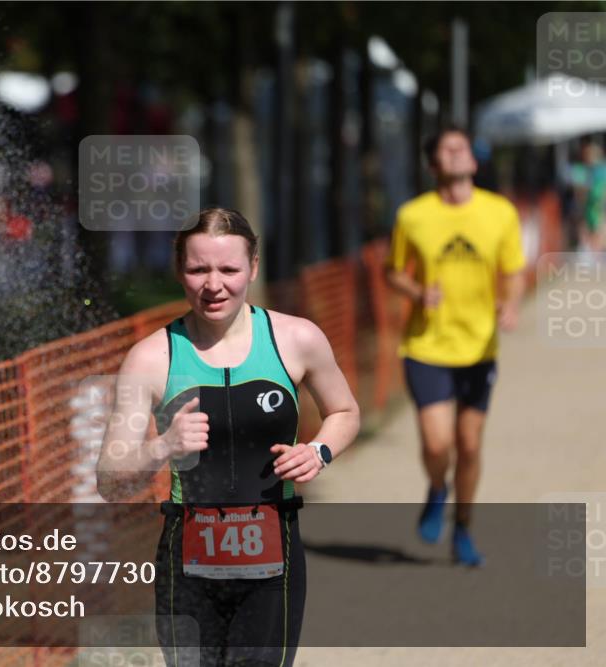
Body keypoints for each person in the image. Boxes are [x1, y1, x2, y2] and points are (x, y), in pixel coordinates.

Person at [96, 208, 360, 667]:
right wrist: (163, 446)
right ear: (180, 270)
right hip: (187, 568)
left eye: (229, 269)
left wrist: (319, 450)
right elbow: (109, 480)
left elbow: (345, 411)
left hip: (273, 564)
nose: (213, 284)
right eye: (198, 269)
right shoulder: (151, 359)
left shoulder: (297, 339)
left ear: (253, 267)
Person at [385, 126, 525, 567]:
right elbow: (393, 271)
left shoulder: (500, 212)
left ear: (474, 162)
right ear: (433, 164)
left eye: (462, 147)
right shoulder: (413, 215)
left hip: (480, 347)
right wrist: (415, 292)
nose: (457, 151)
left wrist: (511, 305)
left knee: (468, 444)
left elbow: (515, 270)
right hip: (427, 344)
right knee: (436, 443)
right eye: (447, 147)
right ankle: (437, 488)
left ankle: (462, 527)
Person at [569, 138, 606, 254]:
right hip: (587, 206)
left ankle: (597, 251)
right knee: (585, 227)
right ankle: (588, 250)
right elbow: (579, 192)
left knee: (599, 228)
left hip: (598, 206)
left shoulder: (601, 170)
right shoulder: (582, 170)